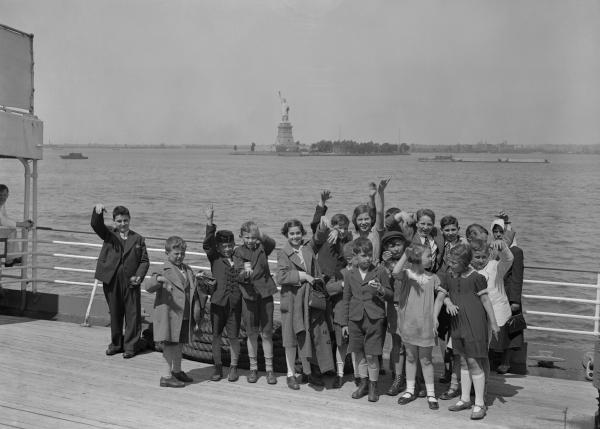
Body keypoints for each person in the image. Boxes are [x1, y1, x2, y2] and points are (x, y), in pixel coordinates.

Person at [434, 243, 499, 420]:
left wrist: (493, 323)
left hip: (475, 323)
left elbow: (485, 300)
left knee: (473, 362)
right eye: (450, 261)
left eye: (454, 262)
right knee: (462, 361)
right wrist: (434, 318)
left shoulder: (477, 277)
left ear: (464, 262)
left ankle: (479, 403)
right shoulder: (449, 276)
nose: (450, 265)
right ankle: (464, 399)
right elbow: (440, 298)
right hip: (457, 324)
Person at [276, 218, 332, 390]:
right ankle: (290, 374)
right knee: (291, 338)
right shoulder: (283, 253)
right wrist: (304, 276)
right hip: (292, 301)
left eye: (298, 233)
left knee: (310, 336)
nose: (295, 236)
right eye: (291, 234)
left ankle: (309, 373)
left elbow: (319, 238)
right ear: (286, 235)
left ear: (302, 233)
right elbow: (281, 277)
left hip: (309, 300)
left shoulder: (307, 248)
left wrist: (323, 224)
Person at [91, 204, 149, 358]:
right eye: (119, 221)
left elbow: (144, 261)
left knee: (133, 314)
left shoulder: (138, 239)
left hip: (131, 282)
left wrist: (139, 276)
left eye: (125, 221)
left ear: (129, 220)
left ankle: (131, 346)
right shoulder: (109, 234)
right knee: (115, 313)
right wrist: (97, 211)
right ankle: (116, 345)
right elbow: (96, 225)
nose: (123, 224)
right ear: (114, 222)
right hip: (111, 280)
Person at [341, 237, 392, 403]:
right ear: (355, 255)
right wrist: (344, 323)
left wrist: (381, 289)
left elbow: (390, 294)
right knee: (358, 353)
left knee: (371, 355)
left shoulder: (380, 271)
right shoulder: (349, 274)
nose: (368, 258)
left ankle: (373, 386)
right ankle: (363, 384)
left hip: (374, 318)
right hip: (355, 319)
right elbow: (346, 299)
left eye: (370, 255)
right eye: (364, 255)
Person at [144, 236, 199, 387]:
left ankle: (177, 370)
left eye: (182, 253)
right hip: (170, 316)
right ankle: (166, 376)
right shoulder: (162, 269)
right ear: (167, 253)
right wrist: (159, 279)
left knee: (180, 344)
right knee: (169, 345)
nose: (180, 256)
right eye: (176, 254)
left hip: (184, 314)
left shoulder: (188, 269)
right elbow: (148, 287)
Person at [395, 243, 442, 410]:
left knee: (426, 360)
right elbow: (395, 272)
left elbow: (442, 294)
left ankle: (431, 393)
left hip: (426, 326)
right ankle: (409, 390)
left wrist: (445, 305)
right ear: (417, 258)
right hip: (409, 324)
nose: (431, 258)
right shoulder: (407, 274)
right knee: (410, 357)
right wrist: (406, 255)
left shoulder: (433, 277)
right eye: (428, 256)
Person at [233, 221, 278, 385]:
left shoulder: (263, 247)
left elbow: (272, 243)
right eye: (247, 237)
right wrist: (244, 274)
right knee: (251, 333)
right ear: (241, 237)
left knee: (266, 333)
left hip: (265, 294)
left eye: (253, 237)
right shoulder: (238, 252)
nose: (250, 240)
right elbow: (237, 273)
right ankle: (253, 369)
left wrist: (260, 235)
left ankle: (269, 370)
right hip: (249, 296)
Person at [203, 204, 243, 382]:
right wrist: (209, 221)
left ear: (234, 245)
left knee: (234, 337)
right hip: (218, 303)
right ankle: (217, 366)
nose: (227, 249)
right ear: (218, 247)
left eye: (230, 245)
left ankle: (233, 367)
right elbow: (207, 243)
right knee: (216, 336)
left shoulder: (239, 257)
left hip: (235, 304)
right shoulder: (214, 257)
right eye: (224, 246)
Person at [493, 217, 525, 374]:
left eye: (501, 231)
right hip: (494, 293)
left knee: (510, 329)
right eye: (495, 231)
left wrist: (515, 300)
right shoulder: (492, 249)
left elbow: (517, 277)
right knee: (495, 325)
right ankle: (493, 356)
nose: (498, 234)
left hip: (509, 294)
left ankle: (506, 361)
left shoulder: (516, 251)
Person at [379, 230, 409, 396]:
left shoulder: (410, 260)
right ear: (386, 248)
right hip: (394, 306)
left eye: (398, 244)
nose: (396, 248)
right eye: (391, 246)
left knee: (411, 344)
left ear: (404, 245)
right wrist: (385, 264)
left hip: (411, 306)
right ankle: (398, 377)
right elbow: (383, 284)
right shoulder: (383, 265)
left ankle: (414, 378)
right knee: (397, 343)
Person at [0, 184, 34, 267]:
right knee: (12, 230)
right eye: (0, 195)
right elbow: (3, 221)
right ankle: (10, 259)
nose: (2, 197)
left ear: (8, 195)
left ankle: (11, 258)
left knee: (12, 230)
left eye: (4, 195)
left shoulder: (2, 205)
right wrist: (22, 224)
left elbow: (5, 218)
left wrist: (22, 223)